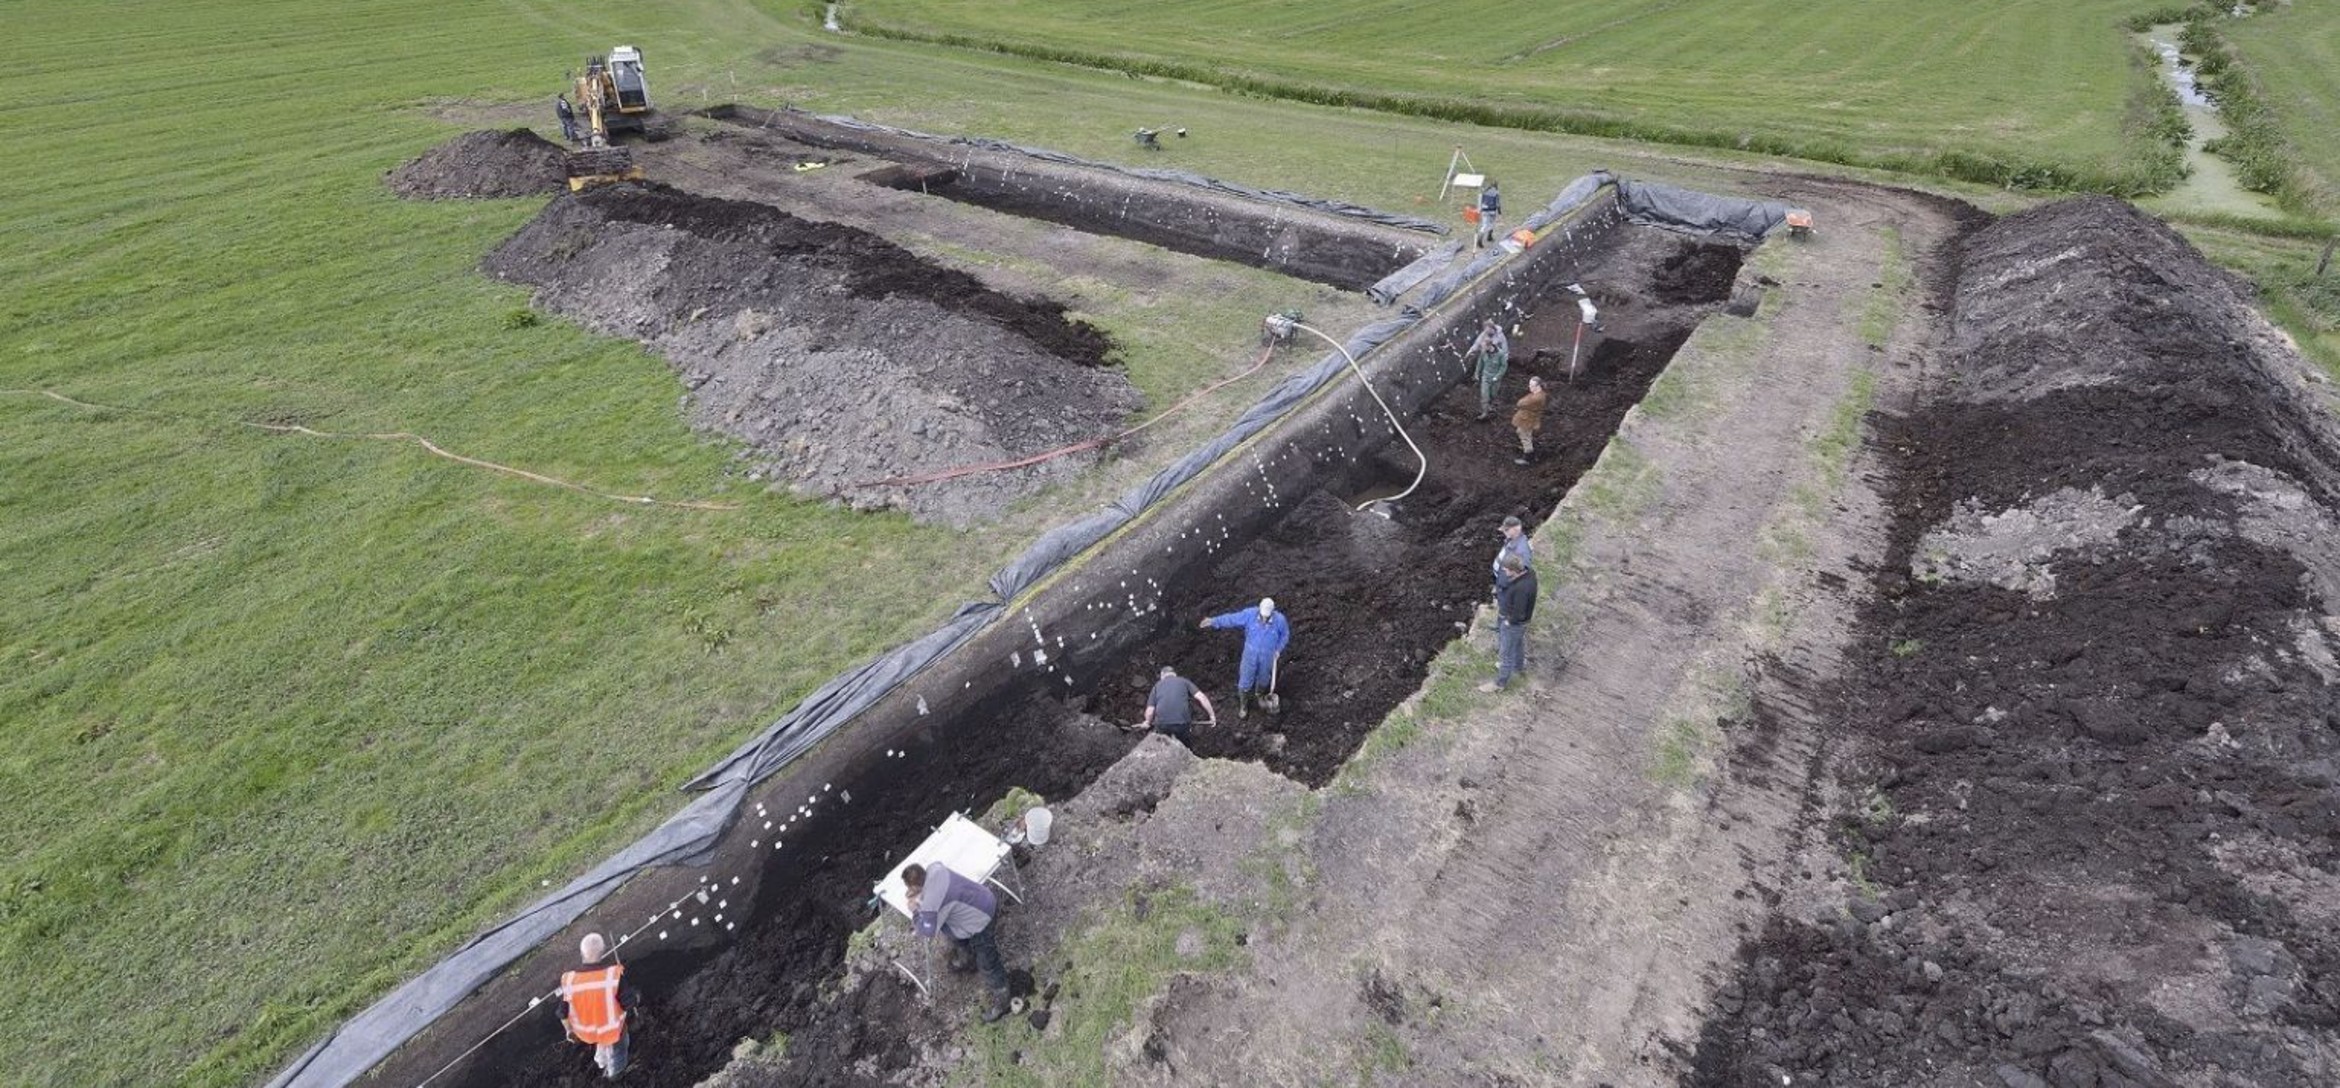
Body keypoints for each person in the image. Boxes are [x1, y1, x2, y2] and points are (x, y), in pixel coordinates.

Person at [903, 862, 1014, 1022]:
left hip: (982, 920)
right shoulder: (936, 868)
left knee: (988, 963)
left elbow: (928, 931)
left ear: (916, 886)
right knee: (948, 928)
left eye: (911, 888)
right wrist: (920, 893)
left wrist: (915, 911)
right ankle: (967, 958)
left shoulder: (932, 901)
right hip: (983, 897)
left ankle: (1003, 1000)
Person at [558, 932, 638, 1079]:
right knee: (618, 1051)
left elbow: (562, 1012)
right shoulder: (613, 976)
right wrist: (635, 997)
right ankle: (615, 1073)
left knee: (601, 1043)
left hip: (586, 1033)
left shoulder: (569, 980)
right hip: (613, 1033)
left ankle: (602, 1061)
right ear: (603, 952)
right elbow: (629, 1003)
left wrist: (569, 1030)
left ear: (581, 953)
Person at [1199, 597, 1291, 718]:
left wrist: (1278, 649)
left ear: (1272, 612)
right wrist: (1214, 621)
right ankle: (1243, 705)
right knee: (1245, 681)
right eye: (1262, 616)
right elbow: (1232, 619)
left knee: (1264, 678)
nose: (1264, 618)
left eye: (1267, 617)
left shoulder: (1279, 620)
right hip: (1250, 654)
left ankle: (1259, 695)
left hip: (1268, 656)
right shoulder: (1250, 614)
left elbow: (1285, 635)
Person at [1481, 553, 1538, 693]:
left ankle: (1499, 684)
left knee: (1505, 654)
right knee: (1517, 644)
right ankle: (1518, 668)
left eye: (1506, 569)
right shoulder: (1529, 573)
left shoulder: (1521, 588)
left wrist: (1508, 622)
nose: (1505, 572)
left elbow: (1519, 613)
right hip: (1522, 623)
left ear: (1514, 569)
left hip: (1514, 624)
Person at [1140, 665, 1218, 742]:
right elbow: (1202, 697)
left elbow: (1150, 710)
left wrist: (1147, 722)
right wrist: (1212, 715)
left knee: (1163, 744)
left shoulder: (1157, 686)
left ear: (1162, 675)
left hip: (1162, 725)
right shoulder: (1184, 682)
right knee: (1184, 744)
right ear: (1174, 674)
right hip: (1182, 724)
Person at [1466, 319, 1510, 421]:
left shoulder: (1500, 339)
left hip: (1496, 372)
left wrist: (1498, 375)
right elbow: (1480, 360)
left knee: (1493, 393)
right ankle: (1485, 412)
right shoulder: (1484, 346)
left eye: (1488, 330)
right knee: (1484, 395)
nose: (1486, 332)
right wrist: (1476, 373)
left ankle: (1492, 404)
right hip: (1486, 374)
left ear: (1492, 328)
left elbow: (1504, 358)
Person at [1512, 376, 1548, 465]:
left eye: (1531, 385)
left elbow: (1520, 403)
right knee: (1524, 433)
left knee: (1523, 434)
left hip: (1528, 420)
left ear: (1538, 386)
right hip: (1528, 418)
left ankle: (1528, 456)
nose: (1529, 387)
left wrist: (1523, 401)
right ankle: (1527, 447)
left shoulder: (1536, 398)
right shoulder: (1538, 394)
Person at [1476, 177, 1502, 248]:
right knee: (1491, 223)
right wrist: (1499, 212)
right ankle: (1488, 237)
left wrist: (1479, 209)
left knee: (1484, 225)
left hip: (1484, 210)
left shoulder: (1484, 191)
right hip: (1492, 211)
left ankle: (1482, 237)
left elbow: (1480, 199)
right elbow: (1498, 204)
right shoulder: (1496, 193)